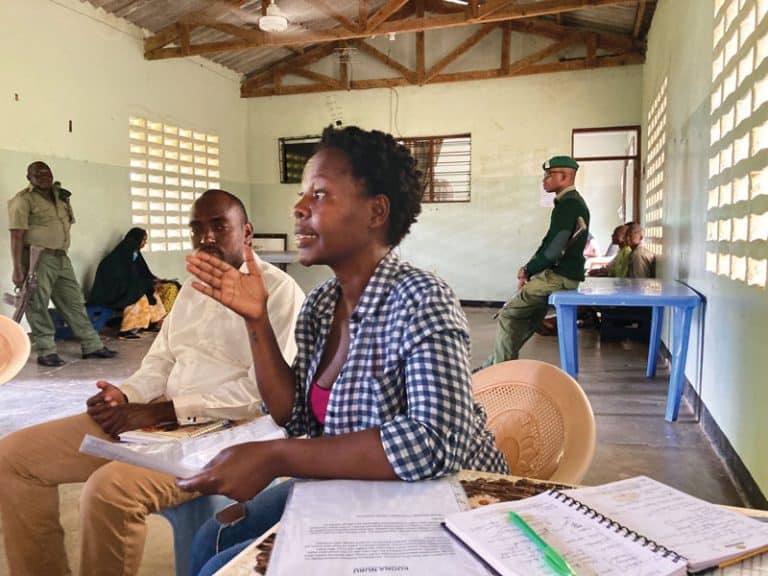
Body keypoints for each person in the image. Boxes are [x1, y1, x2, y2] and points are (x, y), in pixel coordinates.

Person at [179, 126, 509, 575]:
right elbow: (294, 415)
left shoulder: (422, 299)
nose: (298, 208)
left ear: (376, 211)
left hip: (441, 499)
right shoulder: (321, 305)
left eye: (318, 195)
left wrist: (278, 456)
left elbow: (433, 443)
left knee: (218, 569)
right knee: (210, 540)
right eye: (302, 195)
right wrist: (256, 320)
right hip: (354, 487)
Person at [0, 189, 305, 576]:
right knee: (14, 458)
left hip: (227, 435)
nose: (206, 237)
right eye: (197, 229)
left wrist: (163, 411)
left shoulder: (280, 292)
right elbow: (161, 359)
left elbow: (260, 397)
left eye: (219, 226)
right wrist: (125, 395)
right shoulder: (193, 288)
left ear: (246, 232)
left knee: (108, 492)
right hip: (156, 421)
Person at [483, 155, 590, 366]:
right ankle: (498, 363)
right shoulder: (570, 202)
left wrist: (527, 270)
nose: (544, 179)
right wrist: (530, 269)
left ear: (564, 177)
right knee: (530, 317)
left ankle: (499, 368)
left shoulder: (569, 204)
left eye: (549, 175)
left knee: (509, 314)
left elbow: (553, 250)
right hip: (563, 275)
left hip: (559, 277)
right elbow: (549, 243)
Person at [7, 161, 117, 366]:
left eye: (47, 173)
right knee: (37, 303)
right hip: (37, 257)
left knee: (74, 301)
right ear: (29, 178)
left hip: (61, 258)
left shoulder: (61, 197)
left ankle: (92, 345)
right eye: (38, 174)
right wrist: (18, 268)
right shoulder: (23, 200)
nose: (44, 177)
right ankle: (46, 351)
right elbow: (16, 235)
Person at [89, 227, 174, 339]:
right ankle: (125, 330)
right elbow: (123, 280)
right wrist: (148, 283)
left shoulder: (134, 254)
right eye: (144, 240)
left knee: (152, 292)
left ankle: (151, 324)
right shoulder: (119, 256)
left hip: (124, 287)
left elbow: (142, 273)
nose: (145, 243)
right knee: (139, 296)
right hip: (110, 292)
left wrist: (154, 280)